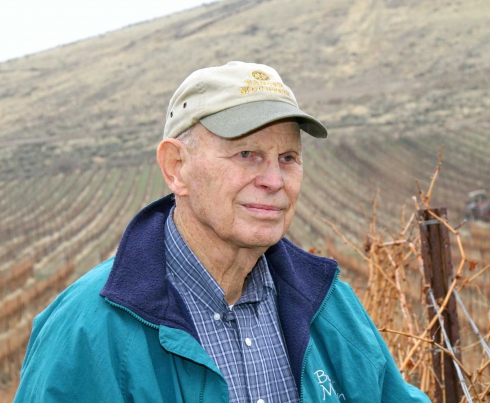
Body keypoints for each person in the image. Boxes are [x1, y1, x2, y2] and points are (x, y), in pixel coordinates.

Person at [15, 62, 430, 403]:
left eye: (288, 158)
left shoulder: (328, 303)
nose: (273, 179)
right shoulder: (89, 327)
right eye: (247, 154)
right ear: (176, 167)